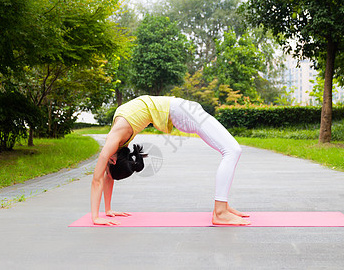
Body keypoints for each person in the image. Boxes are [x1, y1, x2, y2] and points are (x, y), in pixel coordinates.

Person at [91, 95, 250, 226]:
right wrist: (106, 210)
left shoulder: (113, 140)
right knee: (232, 150)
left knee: (231, 151)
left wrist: (97, 217)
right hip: (183, 111)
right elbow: (107, 178)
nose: (104, 165)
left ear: (112, 161)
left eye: (105, 166)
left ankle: (222, 210)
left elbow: (98, 180)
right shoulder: (117, 138)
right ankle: (221, 210)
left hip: (183, 111)